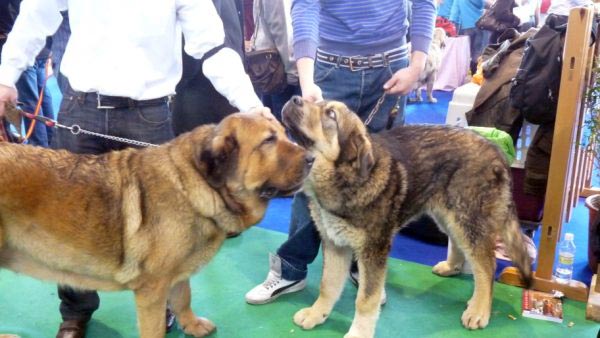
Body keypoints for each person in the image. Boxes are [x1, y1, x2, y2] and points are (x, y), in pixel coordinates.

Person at [0, 1, 269, 337]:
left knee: (173, 230)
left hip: (149, 113)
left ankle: (177, 311)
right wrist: (6, 76)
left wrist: (252, 106)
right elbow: (36, 16)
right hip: (80, 106)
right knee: (68, 223)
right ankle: (75, 314)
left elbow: (213, 46)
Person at [245, 0, 436, 305]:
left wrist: (417, 65)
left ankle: (365, 264)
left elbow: (424, 3)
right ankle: (291, 268)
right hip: (330, 68)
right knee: (313, 172)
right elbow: (306, 5)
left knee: (378, 177)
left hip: (392, 66)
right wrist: (307, 80)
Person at [250, 0, 299, 120]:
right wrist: (294, 75)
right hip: (280, 71)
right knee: (285, 122)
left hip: (271, 67)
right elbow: (282, 34)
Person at [449, 0, 486, 75]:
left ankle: (463, 73)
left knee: (466, 51)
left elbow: (455, 12)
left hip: (466, 26)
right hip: (480, 25)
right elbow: (483, 4)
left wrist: (453, 25)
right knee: (477, 51)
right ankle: (474, 73)